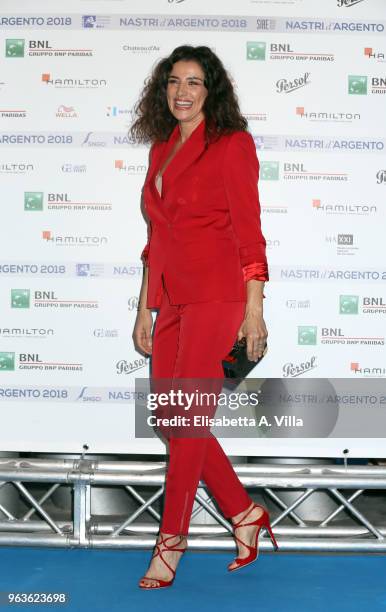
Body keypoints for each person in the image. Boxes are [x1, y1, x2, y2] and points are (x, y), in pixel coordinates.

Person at [131, 45, 278, 590]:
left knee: (186, 417)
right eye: (173, 81)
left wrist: (254, 313)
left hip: (218, 299)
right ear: (163, 90)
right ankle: (244, 513)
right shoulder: (161, 150)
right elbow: (155, 239)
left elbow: (249, 230)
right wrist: (147, 308)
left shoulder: (232, 145)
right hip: (170, 301)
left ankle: (170, 543)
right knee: (173, 420)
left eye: (193, 81)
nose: (181, 92)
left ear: (211, 90)